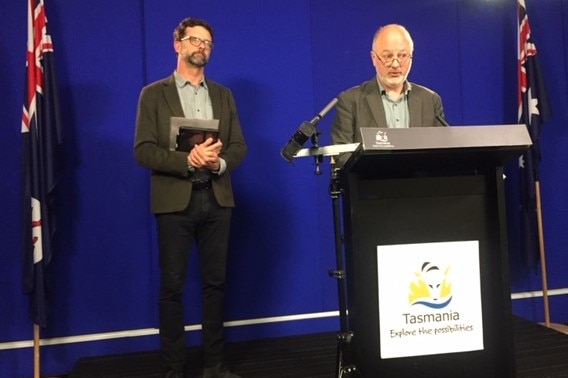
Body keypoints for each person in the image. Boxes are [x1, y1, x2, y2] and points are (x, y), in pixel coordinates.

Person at [134, 17, 247, 378]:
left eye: (208, 43)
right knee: (172, 287)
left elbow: (240, 147)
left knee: (216, 285)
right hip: (174, 203)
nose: (202, 47)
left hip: (216, 199)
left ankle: (214, 366)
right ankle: (174, 368)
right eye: (195, 40)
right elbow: (143, 151)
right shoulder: (154, 94)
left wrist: (218, 162)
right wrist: (188, 160)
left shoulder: (223, 95)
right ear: (178, 44)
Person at [331, 24, 446, 161]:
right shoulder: (350, 101)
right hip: (370, 181)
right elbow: (341, 157)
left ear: (411, 57)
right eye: (388, 56)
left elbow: (442, 151)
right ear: (374, 58)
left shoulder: (430, 100)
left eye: (403, 55)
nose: (396, 64)